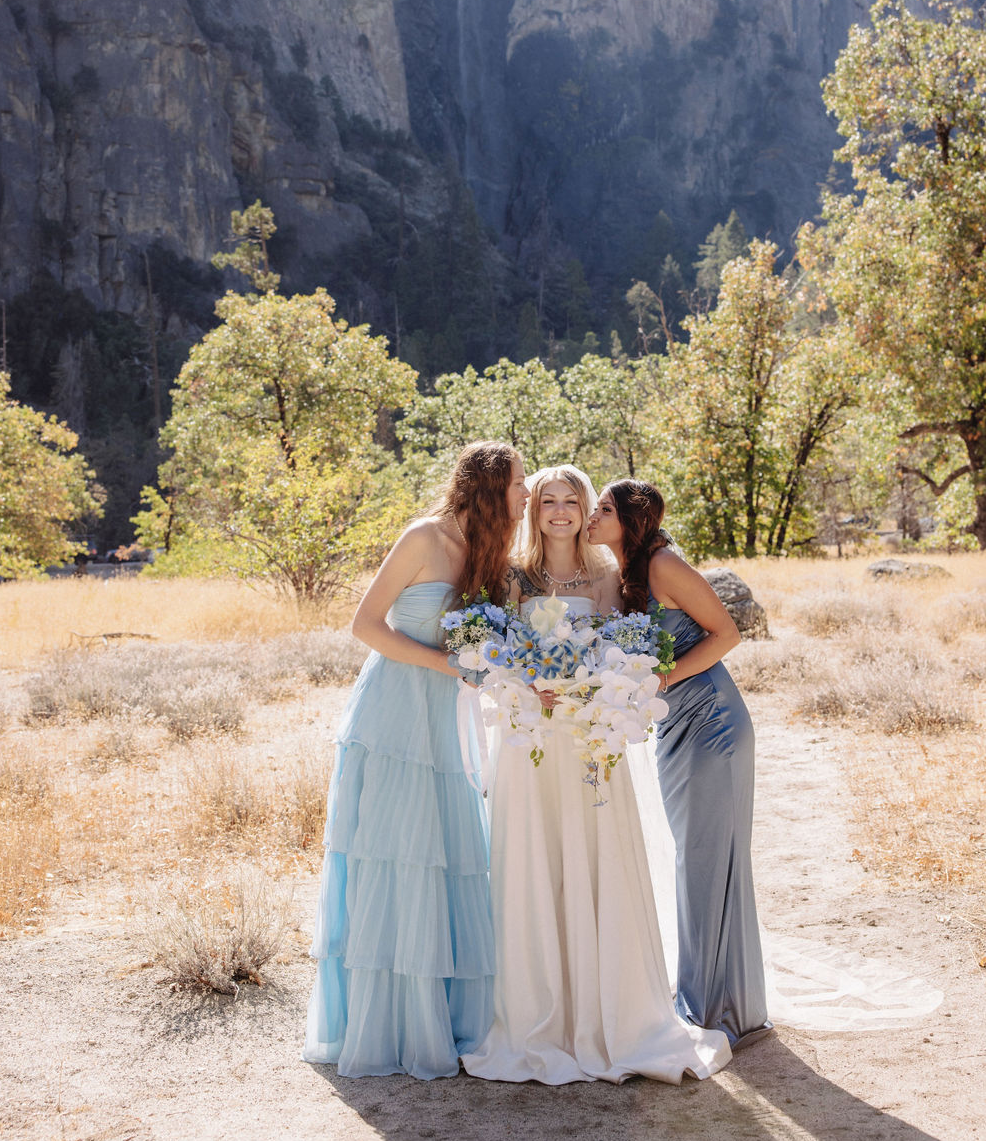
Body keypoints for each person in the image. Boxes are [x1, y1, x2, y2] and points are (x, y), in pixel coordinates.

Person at [462, 465, 731, 1085]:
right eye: (549, 500)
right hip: (529, 735)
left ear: (587, 509)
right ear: (534, 509)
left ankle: (614, 1016)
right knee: (532, 860)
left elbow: (621, 649)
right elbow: (489, 650)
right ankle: (537, 1015)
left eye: (572, 501)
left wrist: (594, 688)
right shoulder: (511, 574)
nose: (560, 511)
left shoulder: (611, 576)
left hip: (589, 737)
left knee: (596, 857)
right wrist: (523, 680)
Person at [303, 441, 529, 1079]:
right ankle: (391, 1021)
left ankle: (449, 1016)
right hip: (397, 713)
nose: (525, 495)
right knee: (400, 851)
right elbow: (366, 625)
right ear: (488, 488)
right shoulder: (424, 537)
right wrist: (448, 665)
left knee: (450, 854)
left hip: (449, 721)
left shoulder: (496, 558)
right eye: (516, 484)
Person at [589, 478, 771, 1050]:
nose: (593, 514)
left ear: (630, 520)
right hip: (674, 726)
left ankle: (714, 1008)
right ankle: (724, 999)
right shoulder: (626, 574)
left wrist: (660, 680)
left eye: (603, 508)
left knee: (705, 860)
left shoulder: (664, 564)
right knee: (697, 858)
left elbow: (728, 633)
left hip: (712, 723)